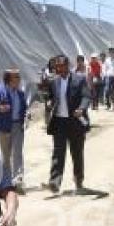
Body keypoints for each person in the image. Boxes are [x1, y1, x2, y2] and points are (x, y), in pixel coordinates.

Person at [43, 55, 91, 193]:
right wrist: (49, 102)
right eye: (57, 67)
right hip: (59, 122)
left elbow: (86, 96)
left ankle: (78, 180)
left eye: (62, 66)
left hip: (75, 122)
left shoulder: (79, 79)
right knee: (58, 153)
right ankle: (55, 182)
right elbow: (51, 97)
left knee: (76, 153)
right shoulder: (54, 81)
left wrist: (81, 108)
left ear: (67, 65)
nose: (59, 69)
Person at [0, 69, 28, 193]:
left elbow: (24, 108)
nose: (19, 79)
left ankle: (18, 180)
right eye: (16, 77)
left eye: (19, 76)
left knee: (18, 152)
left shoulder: (20, 93)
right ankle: (7, 181)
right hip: (4, 127)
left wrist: (27, 115)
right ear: (9, 80)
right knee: (6, 155)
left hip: (17, 126)